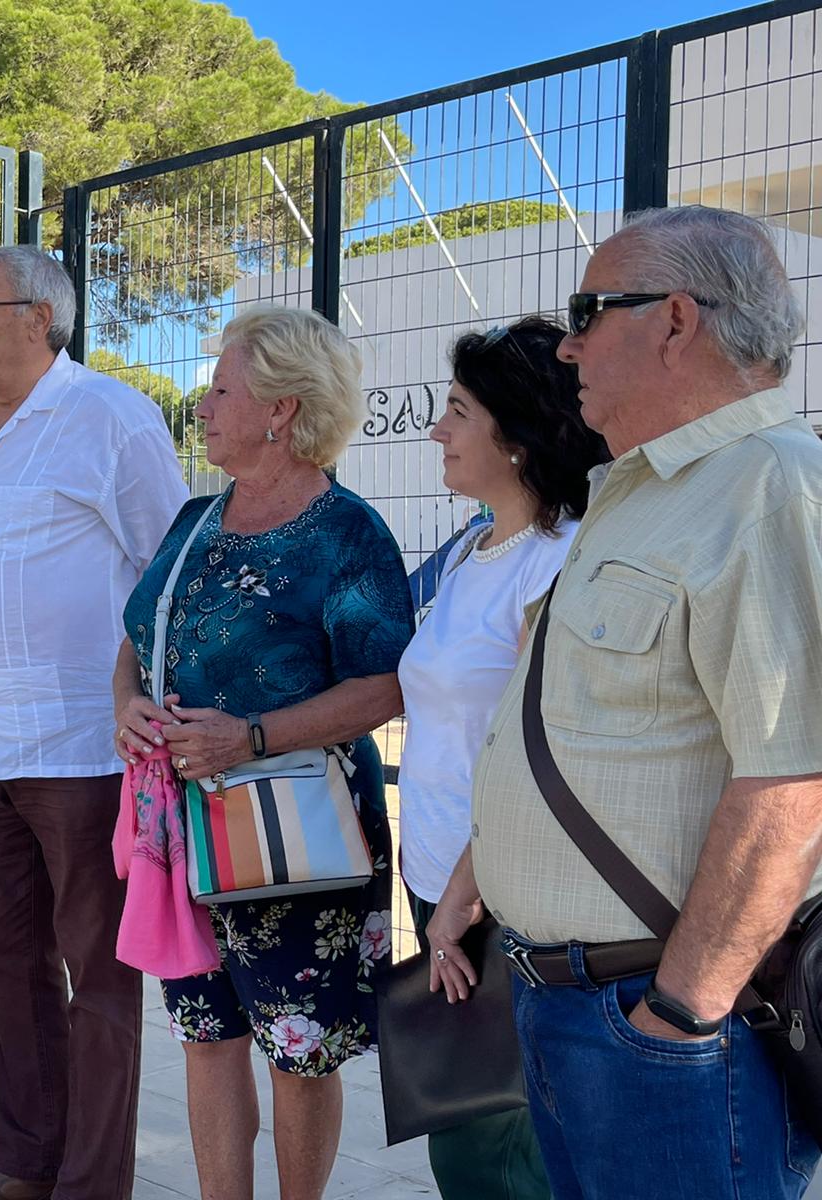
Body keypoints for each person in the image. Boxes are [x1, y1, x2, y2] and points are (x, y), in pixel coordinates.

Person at [428, 205, 822, 1200]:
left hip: (665, 1028)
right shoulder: (638, 496)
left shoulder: (768, 485)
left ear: (676, 322)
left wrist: (681, 1016)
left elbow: (793, 781)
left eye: (587, 311)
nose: (565, 345)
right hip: (571, 1006)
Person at [114, 304, 412, 1200]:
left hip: (297, 838)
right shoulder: (196, 519)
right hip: (184, 835)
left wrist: (246, 738)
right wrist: (124, 706)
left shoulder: (348, 535)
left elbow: (386, 686)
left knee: (301, 1050)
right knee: (206, 1036)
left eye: (220, 390)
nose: (201, 408)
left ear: (282, 408)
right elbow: (136, 634)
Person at [0, 245, 189, 1200]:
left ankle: (91, 1184)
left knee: (98, 981)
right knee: (9, 972)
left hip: (83, 749)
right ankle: (24, 1166)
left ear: (39, 318)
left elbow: (164, 581)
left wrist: (146, 713)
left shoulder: (112, 417)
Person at [396, 316, 607, 1199]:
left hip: (493, 901)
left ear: (516, 440)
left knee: (503, 1153)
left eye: (457, 412)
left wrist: (458, 902)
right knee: (467, 1140)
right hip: (440, 882)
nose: (437, 430)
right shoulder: (467, 557)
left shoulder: (555, 566)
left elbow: (538, 755)